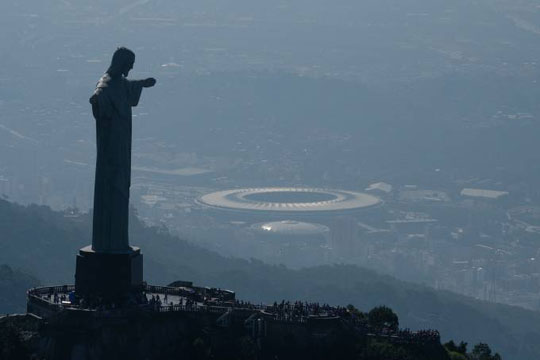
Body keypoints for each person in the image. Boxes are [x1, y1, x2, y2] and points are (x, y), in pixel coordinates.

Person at [89, 47, 156, 253]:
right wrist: (97, 101)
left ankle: (118, 241)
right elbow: (99, 95)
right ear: (121, 63)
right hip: (112, 149)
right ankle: (110, 242)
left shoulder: (118, 82)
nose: (132, 67)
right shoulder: (106, 83)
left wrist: (143, 83)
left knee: (121, 189)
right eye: (130, 63)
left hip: (121, 144)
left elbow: (126, 87)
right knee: (113, 189)